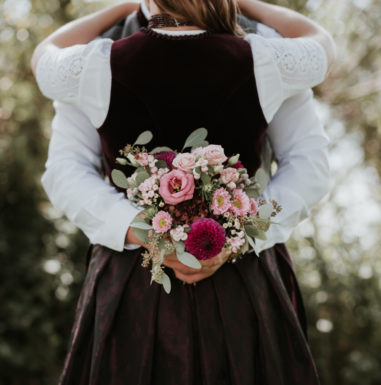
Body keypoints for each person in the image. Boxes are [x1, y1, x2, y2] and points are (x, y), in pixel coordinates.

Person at [32, 0, 335, 383]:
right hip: (136, 285)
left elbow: (307, 162)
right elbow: (67, 169)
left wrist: (234, 237)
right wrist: (148, 232)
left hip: (238, 279)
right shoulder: (271, 54)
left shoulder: (91, 61)